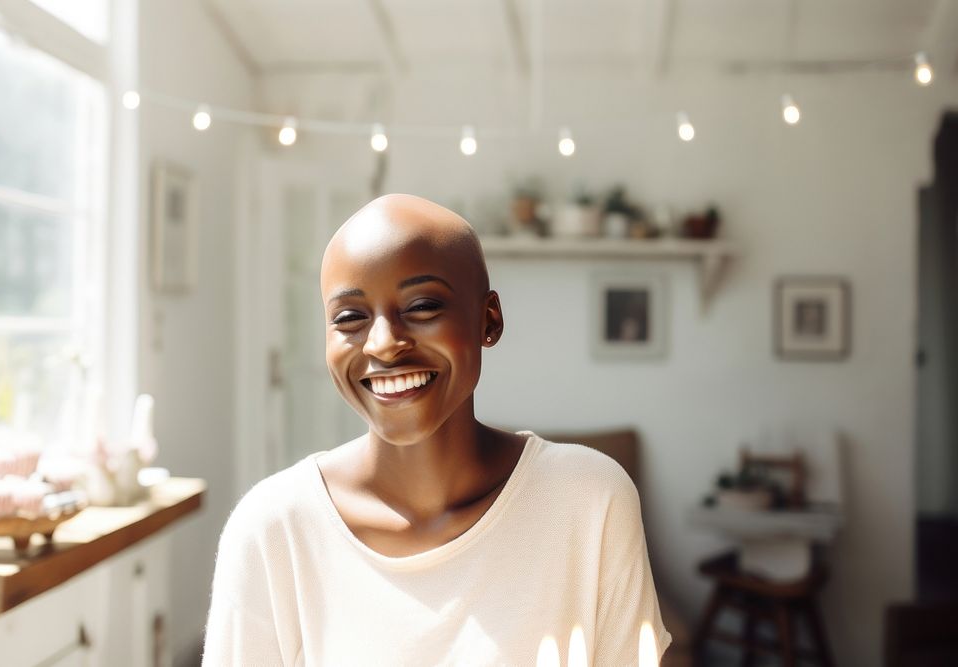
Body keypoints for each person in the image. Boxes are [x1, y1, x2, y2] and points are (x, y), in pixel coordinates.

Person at [203, 194, 671, 666]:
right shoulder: (273, 530)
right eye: (349, 317)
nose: (384, 344)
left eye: (422, 306)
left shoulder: (588, 500)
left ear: (489, 319)